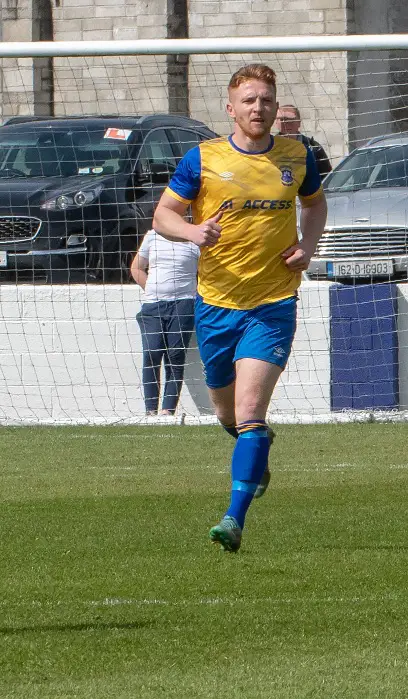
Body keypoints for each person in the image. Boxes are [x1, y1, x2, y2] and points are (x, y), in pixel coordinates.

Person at [153, 64, 327, 553]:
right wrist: (192, 231)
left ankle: (233, 519)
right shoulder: (203, 158)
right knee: (227, 413)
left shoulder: (298, 156)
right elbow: (163, 214)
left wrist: (308, 247)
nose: (258, 108)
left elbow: (315, 205)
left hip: (273, 302)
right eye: (249, 100)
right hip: (215, 303)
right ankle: (256, 448)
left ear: (275, 106)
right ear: (231, 109)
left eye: (266, 99)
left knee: (251, 411)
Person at [129, 229, 200, 416]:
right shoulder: (152, 236)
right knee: (151, 353)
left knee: (175, 356)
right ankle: (150, 411)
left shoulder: (195, 237)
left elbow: (207, 274)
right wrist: (152, 290)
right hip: (153, 306)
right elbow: (136, 268)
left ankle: (167, 411)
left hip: (184, 304)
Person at [276, 104, 333, 178]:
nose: (286, 123)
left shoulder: (314, 148)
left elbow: (327, 178)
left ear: (299, 123)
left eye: (290, 119)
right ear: (276, 123)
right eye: (282, 119)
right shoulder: (269, 146)